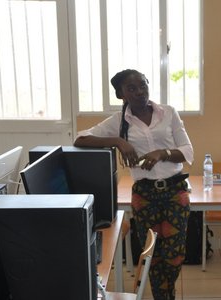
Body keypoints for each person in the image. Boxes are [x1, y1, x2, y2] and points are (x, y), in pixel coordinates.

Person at [74, 69, 193, 300]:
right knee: (153, 256)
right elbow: (80, 138)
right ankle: (164, 296)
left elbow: (188, 151)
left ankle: (164, 293)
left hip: (175, 191)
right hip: (144, 195)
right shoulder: (119, 122)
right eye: (132, 88)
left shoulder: (168, 113)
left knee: (175, 255)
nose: (140, 92)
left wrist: (162, 153)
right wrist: (118, 141)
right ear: (121, 95)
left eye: (143, 85)